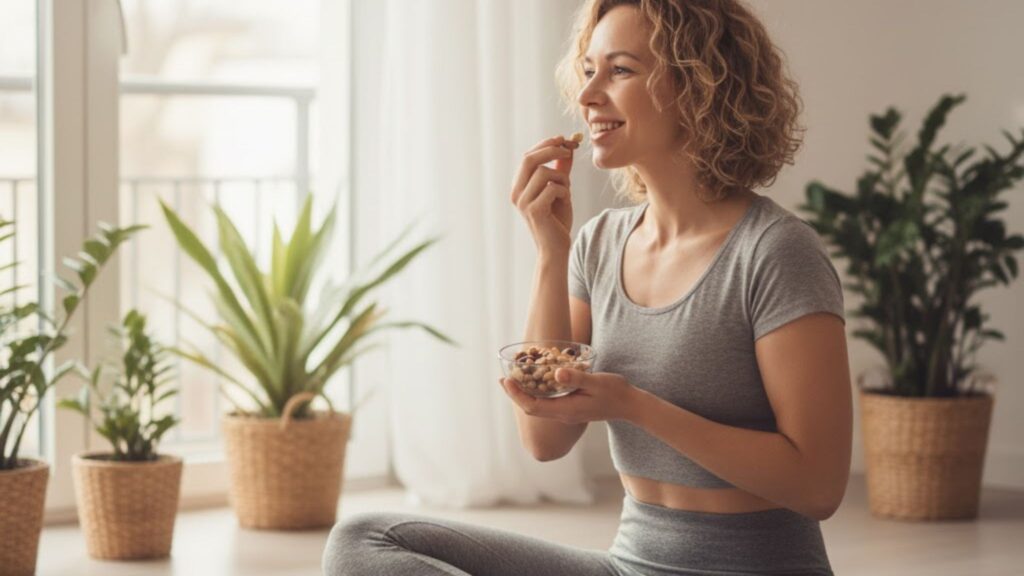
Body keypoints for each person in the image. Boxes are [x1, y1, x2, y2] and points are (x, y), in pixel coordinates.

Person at [322, 0, 851, 574]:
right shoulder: (599, 243)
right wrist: (552, 253)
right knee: (364, 540)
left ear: (701, 86)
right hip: (630, 565)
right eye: (589, 70)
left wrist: (635, 406)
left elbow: (817, 485)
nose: (588, 95)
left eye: (620, 70)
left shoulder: (774, 251)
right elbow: (544, 439)